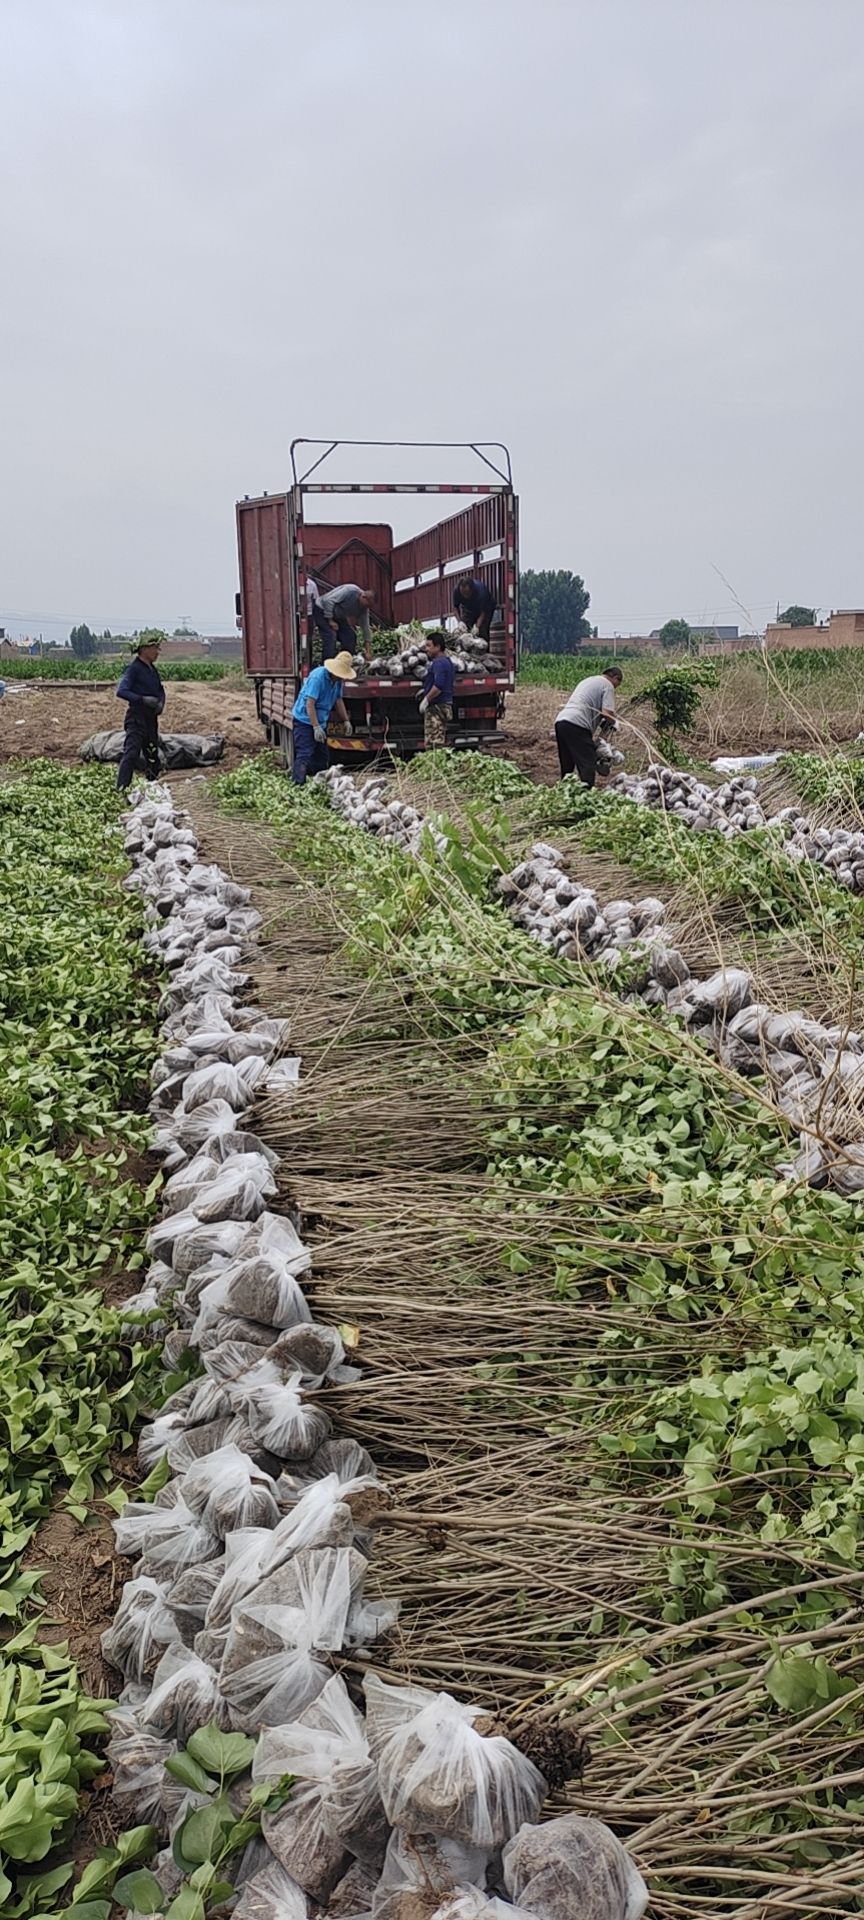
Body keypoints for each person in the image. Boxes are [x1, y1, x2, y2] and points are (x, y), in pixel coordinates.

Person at [290, 650, 356, 785]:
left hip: (321, 721)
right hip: (304, 721)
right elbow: (310, 704)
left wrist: (346, 721)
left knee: (322, 757)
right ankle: (297, 785)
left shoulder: (337, 681)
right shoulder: (318, 677)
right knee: (305, 753)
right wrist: (315, 727)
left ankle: (317, 784)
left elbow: (338, 700)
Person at [554, 666, 622, 787]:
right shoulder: (608, 685)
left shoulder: (589, 680)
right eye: (617, 684)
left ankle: (564, 791)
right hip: (578, 724)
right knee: (588, 763)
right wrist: (615, 722)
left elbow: (595, 710)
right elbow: (606, 713)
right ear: (615, 678)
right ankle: (587, 794)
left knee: (567, 764)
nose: (615, 688)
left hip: (562, 721)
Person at [115, 634, 166, 791]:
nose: (157, 652)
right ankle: (121, 789)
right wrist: (142, 699)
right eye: (155, 649)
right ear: (144, 650)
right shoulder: (134, 669)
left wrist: (161, 702)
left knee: (152, 756)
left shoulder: (152, 670)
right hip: (136, 718)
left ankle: (152, 788)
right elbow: (121, 691)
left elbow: (160, 689)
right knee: (131, 754)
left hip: (151, 718)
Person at [418, 631, 456, 749]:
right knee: (440, 738)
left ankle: (435, 765)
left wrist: (427, 699)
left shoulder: (439, 663)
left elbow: (439, 686)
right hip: (445, 704)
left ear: (438, 647)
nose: (427, 649)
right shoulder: (448, 661)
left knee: (434, 743)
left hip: (437, 706)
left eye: (429, 646)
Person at [318, 583, 374, 660]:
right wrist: (330, 620)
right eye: (367, 605)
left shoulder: (364, 609)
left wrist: (368, 652)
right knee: (330, 636)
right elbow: (328, 600)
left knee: (350, 636)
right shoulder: (350, 591)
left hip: (338, 615)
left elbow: (366, 629)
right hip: (322, 609)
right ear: (363, 597)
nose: (367, 607)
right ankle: (327, 666)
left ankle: (345, 662)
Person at [452, 574, 495, 643]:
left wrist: (477, 626)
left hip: (486, 608)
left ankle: (484, 650)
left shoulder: (481, 592)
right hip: (468, 607)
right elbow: (455, 607)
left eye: (467, 593)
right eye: (463, 593)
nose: (465, 596)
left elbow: (483, 612)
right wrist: (460, 621)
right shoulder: (456, 591)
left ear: (472, 590)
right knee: (465, 628)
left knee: (482, 629)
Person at [306, 576, 334, 659]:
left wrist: (316, 618)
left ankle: (308, 662)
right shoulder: (294, 583)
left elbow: (316, 601)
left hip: (309, 614)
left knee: (308, 640)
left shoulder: (312, 585)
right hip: (296, 614)